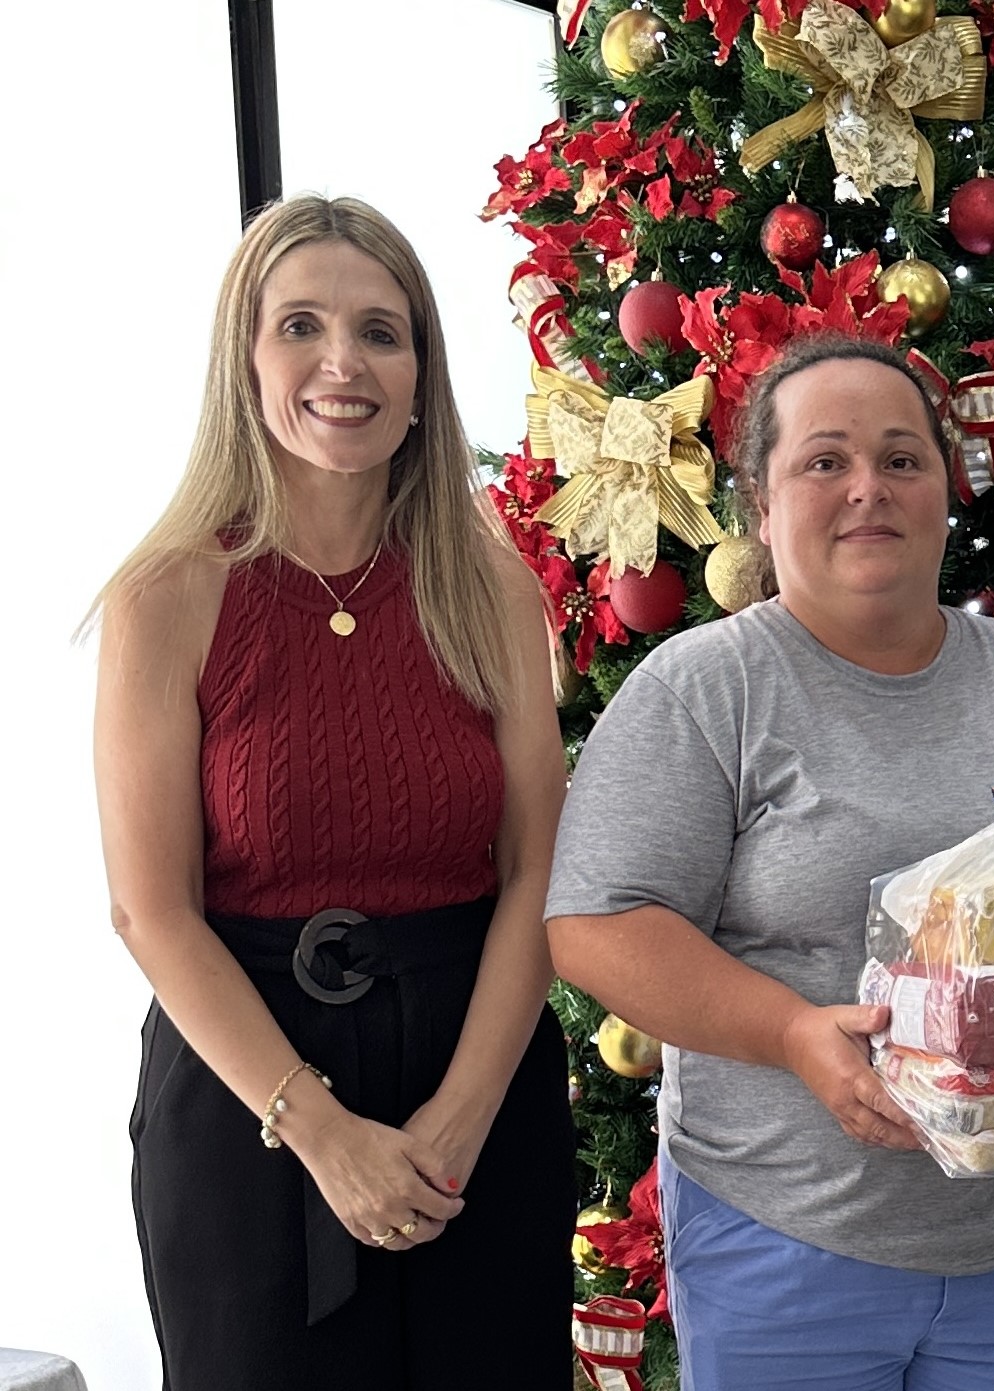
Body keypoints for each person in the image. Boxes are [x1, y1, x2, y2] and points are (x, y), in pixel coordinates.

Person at [543, 333, 994, 1391]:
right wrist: (789, 1033)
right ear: (762, 508)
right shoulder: (705, 691)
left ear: (945, 491)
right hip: (783, 1244)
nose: (868, 487)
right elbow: (596, 924)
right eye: (823, 461)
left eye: (902, 458)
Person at [91, 195, 571, 1386]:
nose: (342, 362)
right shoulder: (168, 594)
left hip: (480, 1082)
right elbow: (152, 909)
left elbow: (537, 872)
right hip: (248, 1110)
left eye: (382, 331)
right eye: (299, 325)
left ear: (421, 375)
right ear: (244, 360)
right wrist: (320, 1132)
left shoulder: (493, 589)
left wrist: (457, 1123)